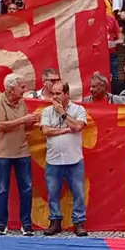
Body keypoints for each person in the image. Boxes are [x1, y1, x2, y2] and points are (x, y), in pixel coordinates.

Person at [0, 74, 38, 236]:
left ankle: (26, 224)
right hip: (2, 153)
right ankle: (1, 224)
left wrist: (32, 122)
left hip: (22, 151)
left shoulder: (22, 103)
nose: (25, 90)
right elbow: (1, 125)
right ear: (11, 89)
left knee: (27, 188)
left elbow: (23, 126)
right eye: (22, 87)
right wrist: (24, 120)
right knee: (2, 189)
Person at [40, 80, 88, 237]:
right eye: (53, 93)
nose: (55, 97)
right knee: (53, 192)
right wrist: (65, 130)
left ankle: (79, 222)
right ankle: (55, 221)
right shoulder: (47, 111)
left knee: (79, 192)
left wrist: (62, 113)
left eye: (58, 93)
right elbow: (46, 131)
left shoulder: (78, 109)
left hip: (74, 159)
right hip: (53, 159)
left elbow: (78, 127)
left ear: (67, 94)